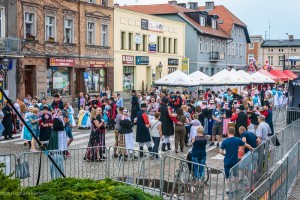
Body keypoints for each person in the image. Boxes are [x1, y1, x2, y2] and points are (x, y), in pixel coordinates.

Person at [220, 127, 246, 194]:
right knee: (236, 174)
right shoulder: (237, 139)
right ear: (234, 132)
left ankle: (230, 189)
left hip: (227, 160)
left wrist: (225, 155)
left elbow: (221, 152)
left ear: (228, 132)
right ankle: (236, 188)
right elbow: (244, 144)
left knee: (228, 175)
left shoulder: (225, 141)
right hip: (235, 160)